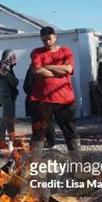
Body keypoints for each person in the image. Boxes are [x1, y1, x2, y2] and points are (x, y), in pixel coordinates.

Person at [29, 26, 81, 162]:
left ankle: (78, 164)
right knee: (38, 133)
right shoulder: (36, 52)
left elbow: (68, 69)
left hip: (64, 99)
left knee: (70, 131)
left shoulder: (66, 51)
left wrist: (47, 67)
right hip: (41, 99)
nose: (47, 42)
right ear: (41, 39)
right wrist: (59, 71)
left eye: (49, 39)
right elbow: (37, 71)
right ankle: (35, 166)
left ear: (55, 37)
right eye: (44, 39)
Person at [0, 49, 18, 148]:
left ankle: (7, 140)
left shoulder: (4, 66)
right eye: (11, 56)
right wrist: (16, 80)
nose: (13, 58)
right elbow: (14, 82)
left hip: (5, 95)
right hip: (7, 96)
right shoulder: (5, 67)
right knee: (8, 119)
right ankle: (6, 141)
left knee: (6, 119)